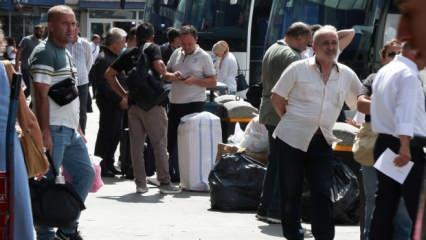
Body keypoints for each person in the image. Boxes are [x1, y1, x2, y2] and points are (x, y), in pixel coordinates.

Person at [271, 25, 362, 240]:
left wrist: (361, 121)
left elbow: (360, 100)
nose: (331, 47)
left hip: (322, 142)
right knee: (290, 193)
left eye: (334, 43)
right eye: (325, 43)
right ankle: (294, 235)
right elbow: (277, 97)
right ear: (314, 46)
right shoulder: (297, 68)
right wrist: (290, 120)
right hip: (291, 139)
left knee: (322, 192)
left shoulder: (346, 74)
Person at [29, 5, 95, 239]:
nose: (71, 28)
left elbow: (66, 93)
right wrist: (44, 132)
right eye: (65, 23)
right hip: (54, 130)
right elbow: (40, 95)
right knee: (46, 185)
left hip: (69, 129)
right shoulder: (45, 51)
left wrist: (77, 125)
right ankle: (45, 233)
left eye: (74, 23)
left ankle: (67, 228)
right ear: (51, 26)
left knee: (86, 174)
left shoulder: (65, 51)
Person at [105, 22, 181, 194]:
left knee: (136, 146)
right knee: (159, 144)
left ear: (136, 37)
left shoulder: (129, 52)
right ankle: (164, 182)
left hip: (133, 104)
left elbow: (109, 74)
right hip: (153, 104)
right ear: (152, 37)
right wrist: (168, 75)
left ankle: (140, 184)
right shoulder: (153, 47)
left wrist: (124, 93)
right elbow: (159, 66)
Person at [256, 21, 312, 225]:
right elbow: (291, 90)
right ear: (298, 37)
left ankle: (265, 207)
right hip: (281, 113)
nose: (307, 47)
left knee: (276, 163)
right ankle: (275, 209)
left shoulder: (273, 48)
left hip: (270, 112)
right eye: (306, 42)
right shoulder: (291, 56)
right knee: (284, 165)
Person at [369, 42, 426, 240]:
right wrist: (405, 147)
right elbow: (404, 113)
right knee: (418, 208)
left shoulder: (386, 70)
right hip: (405, 147)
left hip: (385, 143)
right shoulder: (408, 75)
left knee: (386, 203)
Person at [356, 39, 412, 240]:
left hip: (404, 149)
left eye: (401, 54)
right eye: (391, 54)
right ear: (382, 58)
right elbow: (361, 104)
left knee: (402, 208)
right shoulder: (374, 78)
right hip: (375, 147)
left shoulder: (414, 80)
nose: (396, 59)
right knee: (374, 201)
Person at [166, 25, 216, 183]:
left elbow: (213, 81)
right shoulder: (176, 53)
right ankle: (171, 173)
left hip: (194, 103)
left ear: (196, 40)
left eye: (189, 44)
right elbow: (165, 74)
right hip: (175, 102)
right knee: (171, 140)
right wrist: (173, 76)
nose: (186, 47)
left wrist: (195, 80)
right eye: (183, 44)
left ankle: (189, 174)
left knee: (190, 141)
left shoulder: (204, 56)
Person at [0, 23, 35, 240]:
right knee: (14, 212)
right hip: (6, 151)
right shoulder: (6, 69)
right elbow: (28, 120)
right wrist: (39, 153)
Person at [90, 27, 127, 177]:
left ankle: (109, 163)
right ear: (115, 43)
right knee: (107, 133)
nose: (124, 46)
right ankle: (102, 165)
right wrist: (120, 98)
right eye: (123, 43)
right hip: (109, 102)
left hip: (116, 102)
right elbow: (104, 85)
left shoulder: (112, 57)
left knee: (115, 133)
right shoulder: (104, 58)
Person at [67, 24, 93, 133]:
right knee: (68, 109)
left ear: (78, 29)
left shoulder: (85, 44)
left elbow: (89, 62)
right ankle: (70, 132)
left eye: (74, 28)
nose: (72, 31)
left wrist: (83, 74)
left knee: (82, 110)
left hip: (82, 82)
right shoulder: (64, 43)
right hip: (68, 82)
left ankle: (82, 133)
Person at [15, 24, 44, 97]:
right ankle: (19, 103)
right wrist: (16, 64)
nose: (41, 33)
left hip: (36, 69)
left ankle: (31, 106)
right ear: (35, 31)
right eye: (40, 31)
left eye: (42, 32)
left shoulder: (41, 42)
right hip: (26, 68)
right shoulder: (26, 40)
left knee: (36, 89)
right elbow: (19, 52)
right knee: (30, 88)